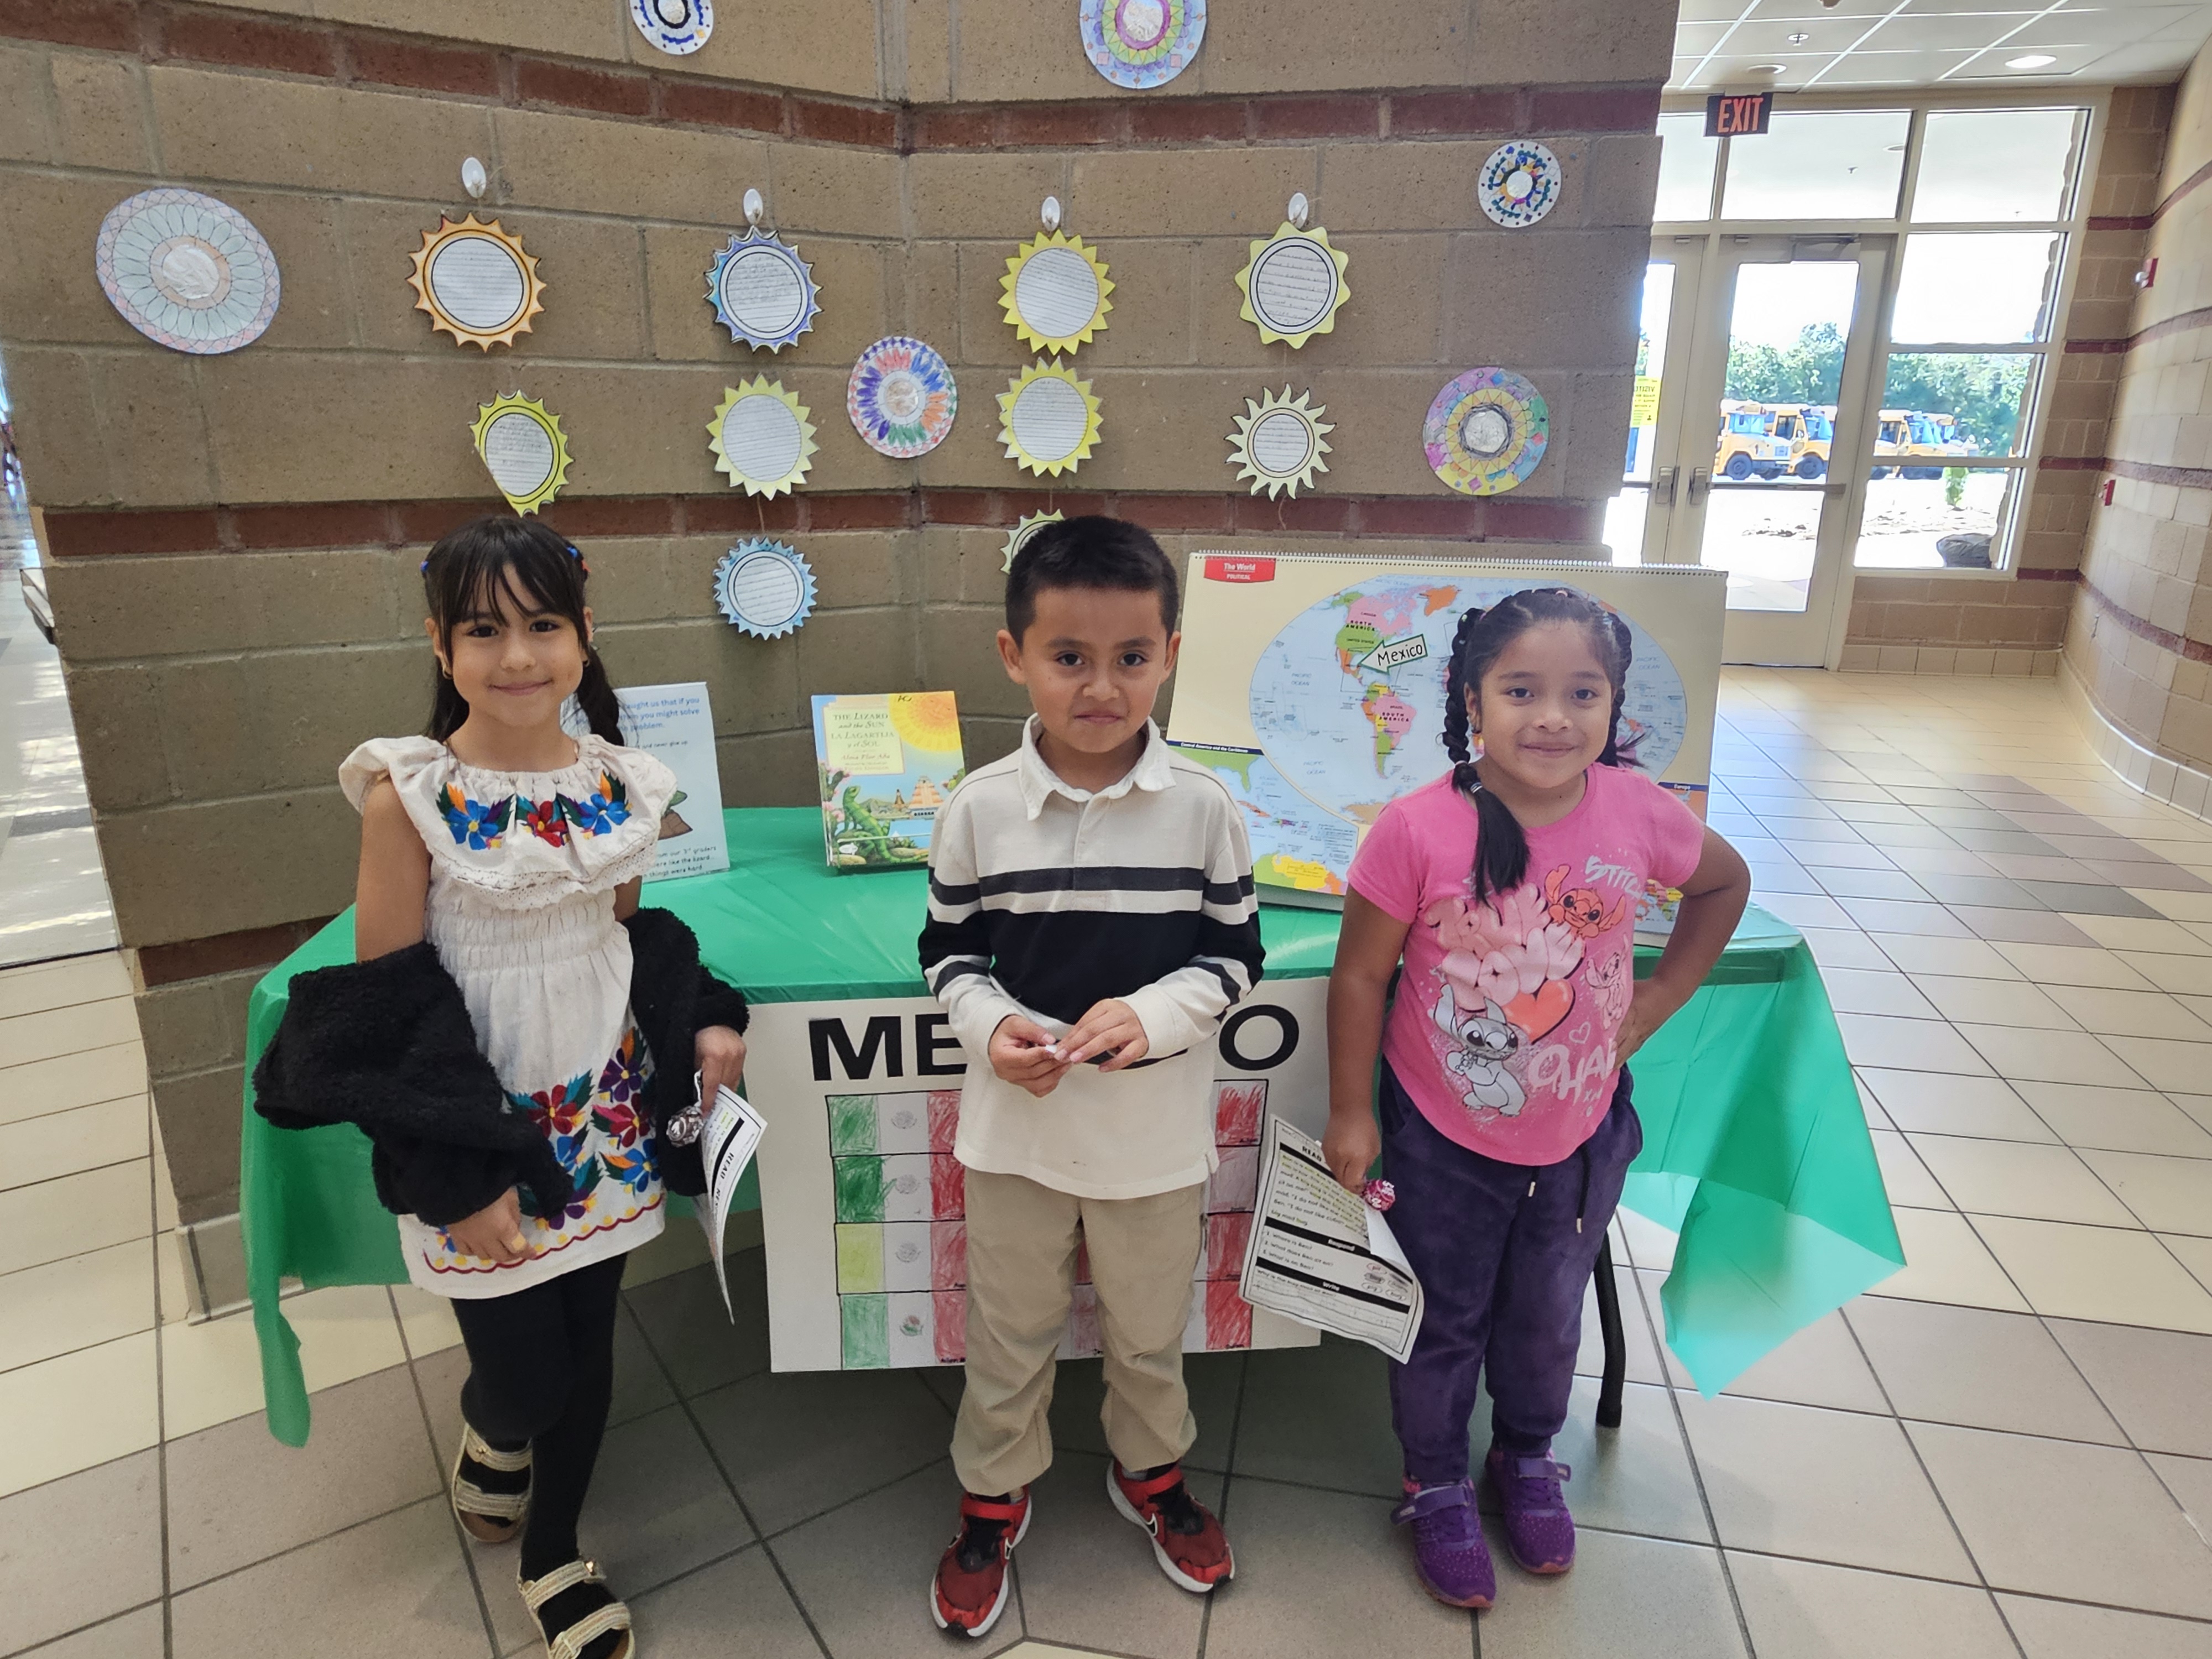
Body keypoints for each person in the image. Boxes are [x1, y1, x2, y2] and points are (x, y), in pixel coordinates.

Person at [253, 516, 750, 1659]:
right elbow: (388, 1009)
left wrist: (710, 1009)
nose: (516, 656)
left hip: (604, 1122)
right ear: (441, 644)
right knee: (522, 1379)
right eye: (485, 629)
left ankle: (553, 1551)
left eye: (542, 625)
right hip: (479, 1135)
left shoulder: (621, 787)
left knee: (587, 1348)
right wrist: (455, 1170)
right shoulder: (408, 798)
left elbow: (632, 944)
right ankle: (494, 1432)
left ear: (583, 637)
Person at [1323, 587, 1749, 1610]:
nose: (1552, 716)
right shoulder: (1417, 828)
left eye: (1582, 693)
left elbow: (1723, 887)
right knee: (1442, 1318)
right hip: (1442, 1139)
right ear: (1472, 699)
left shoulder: (1641, 812)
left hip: (1579, 1136)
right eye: (1522, 690)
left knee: (1547, 1316)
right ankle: (1432, 1481)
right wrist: (1352, 1110)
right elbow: (1359, 978)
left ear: (1613, 707)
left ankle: (1523, 1457)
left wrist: (1653, 1002)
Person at [917, 517, 1265, 1638]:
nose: (1101, 687)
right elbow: (948, 957)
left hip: (1154, 1143)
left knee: (1145, 1328)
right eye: (1069, 658)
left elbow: (1233, 958)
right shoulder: (974, 808)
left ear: (1168, 652)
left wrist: (1157, 1015)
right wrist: (992, 1031)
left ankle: (1149, 1478)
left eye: (1130, 658)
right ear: (1013, 655)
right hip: (1013, 1138)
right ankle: (990, 1497)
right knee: (1008, 1328)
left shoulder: (1204, 808)